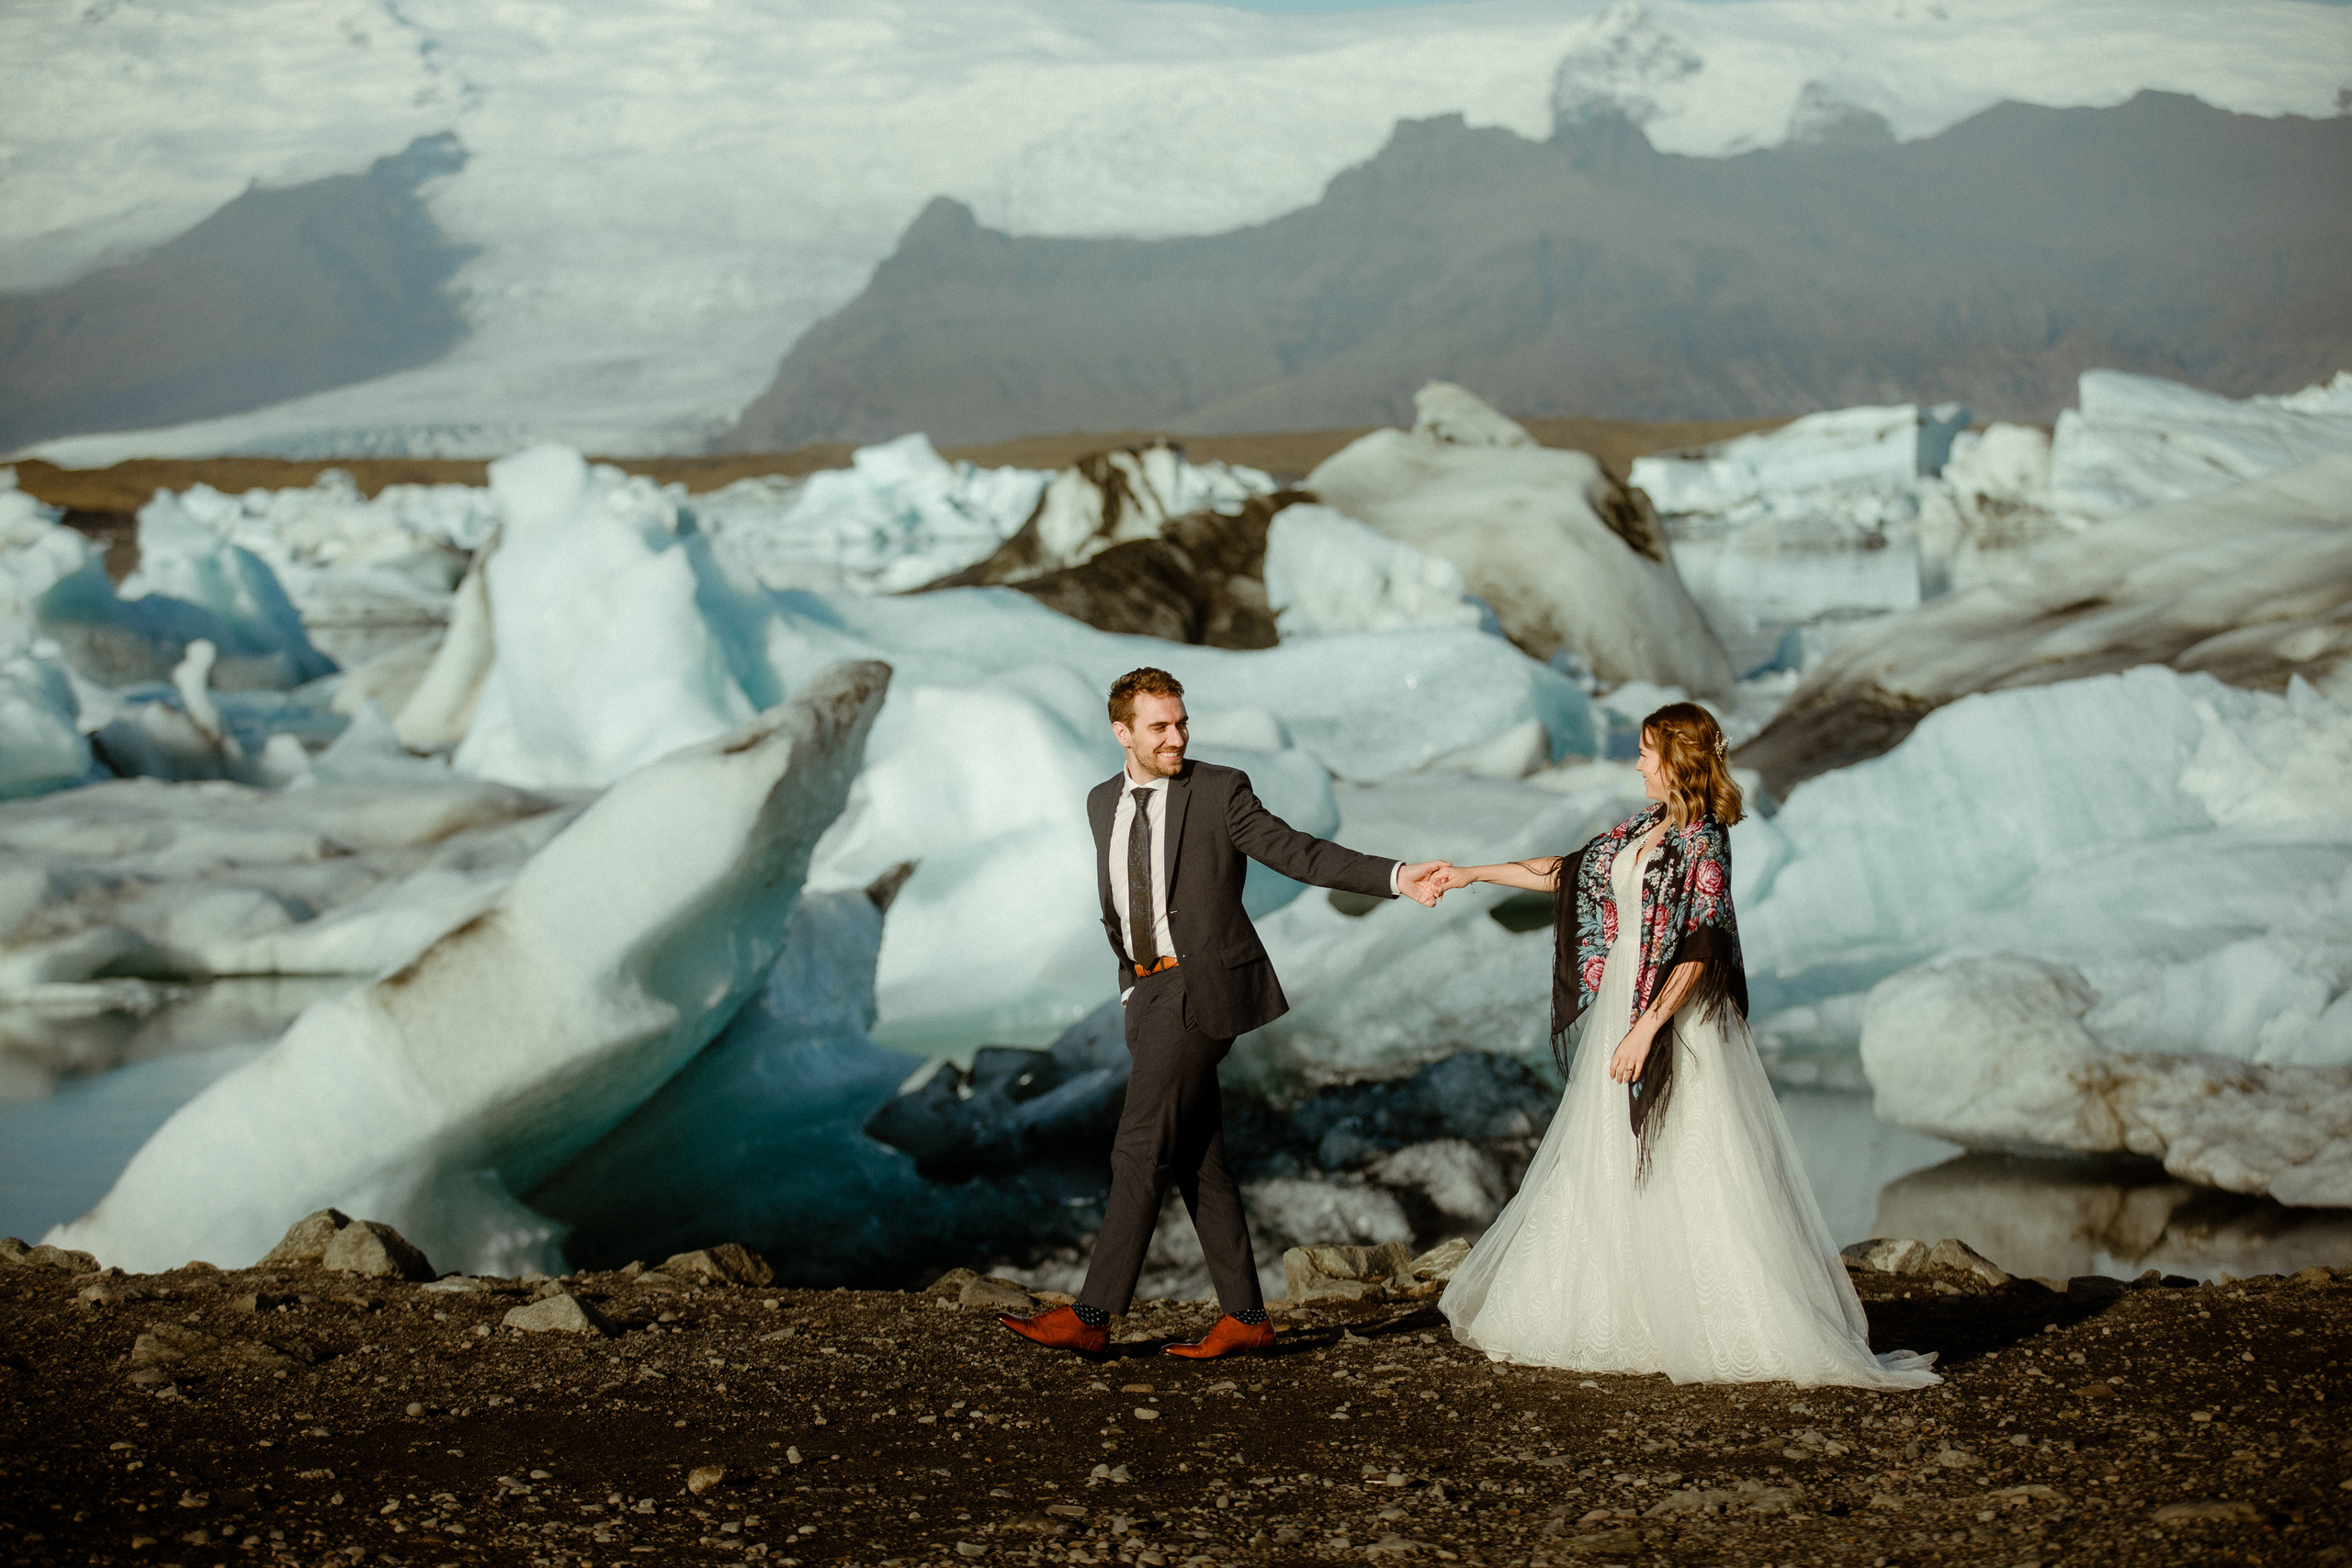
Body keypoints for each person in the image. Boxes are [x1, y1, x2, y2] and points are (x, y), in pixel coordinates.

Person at [1431, 703, 1939, 1389]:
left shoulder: (1704, 841)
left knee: (1690, 1156)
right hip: (1627, 1001)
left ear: (1676, 757)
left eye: (1647, 751)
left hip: (1677, 1021)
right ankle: (1625, 1313)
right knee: (1609, 1153)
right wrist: (1472, 874)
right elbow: (1570, 872)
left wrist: (1647, 1027)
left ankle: (1715, 1319)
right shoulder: (1647, 826)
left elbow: (1704, 945)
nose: (1638, 763)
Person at [998, 667, 1450, 1360]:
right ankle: (1245, 1315)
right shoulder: (1100, 802)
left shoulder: (1218, 790)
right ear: (1123, 733)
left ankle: (1091, 1314)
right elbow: (1122, 902)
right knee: (1196, 1157)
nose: (1177, 735)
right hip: (1146, 994)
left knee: (1139, 1143)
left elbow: (1298, 851)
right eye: (1160, 726)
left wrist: (1395, 876)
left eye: (1182, 721)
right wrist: (1129, 987)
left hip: (1202, 989)